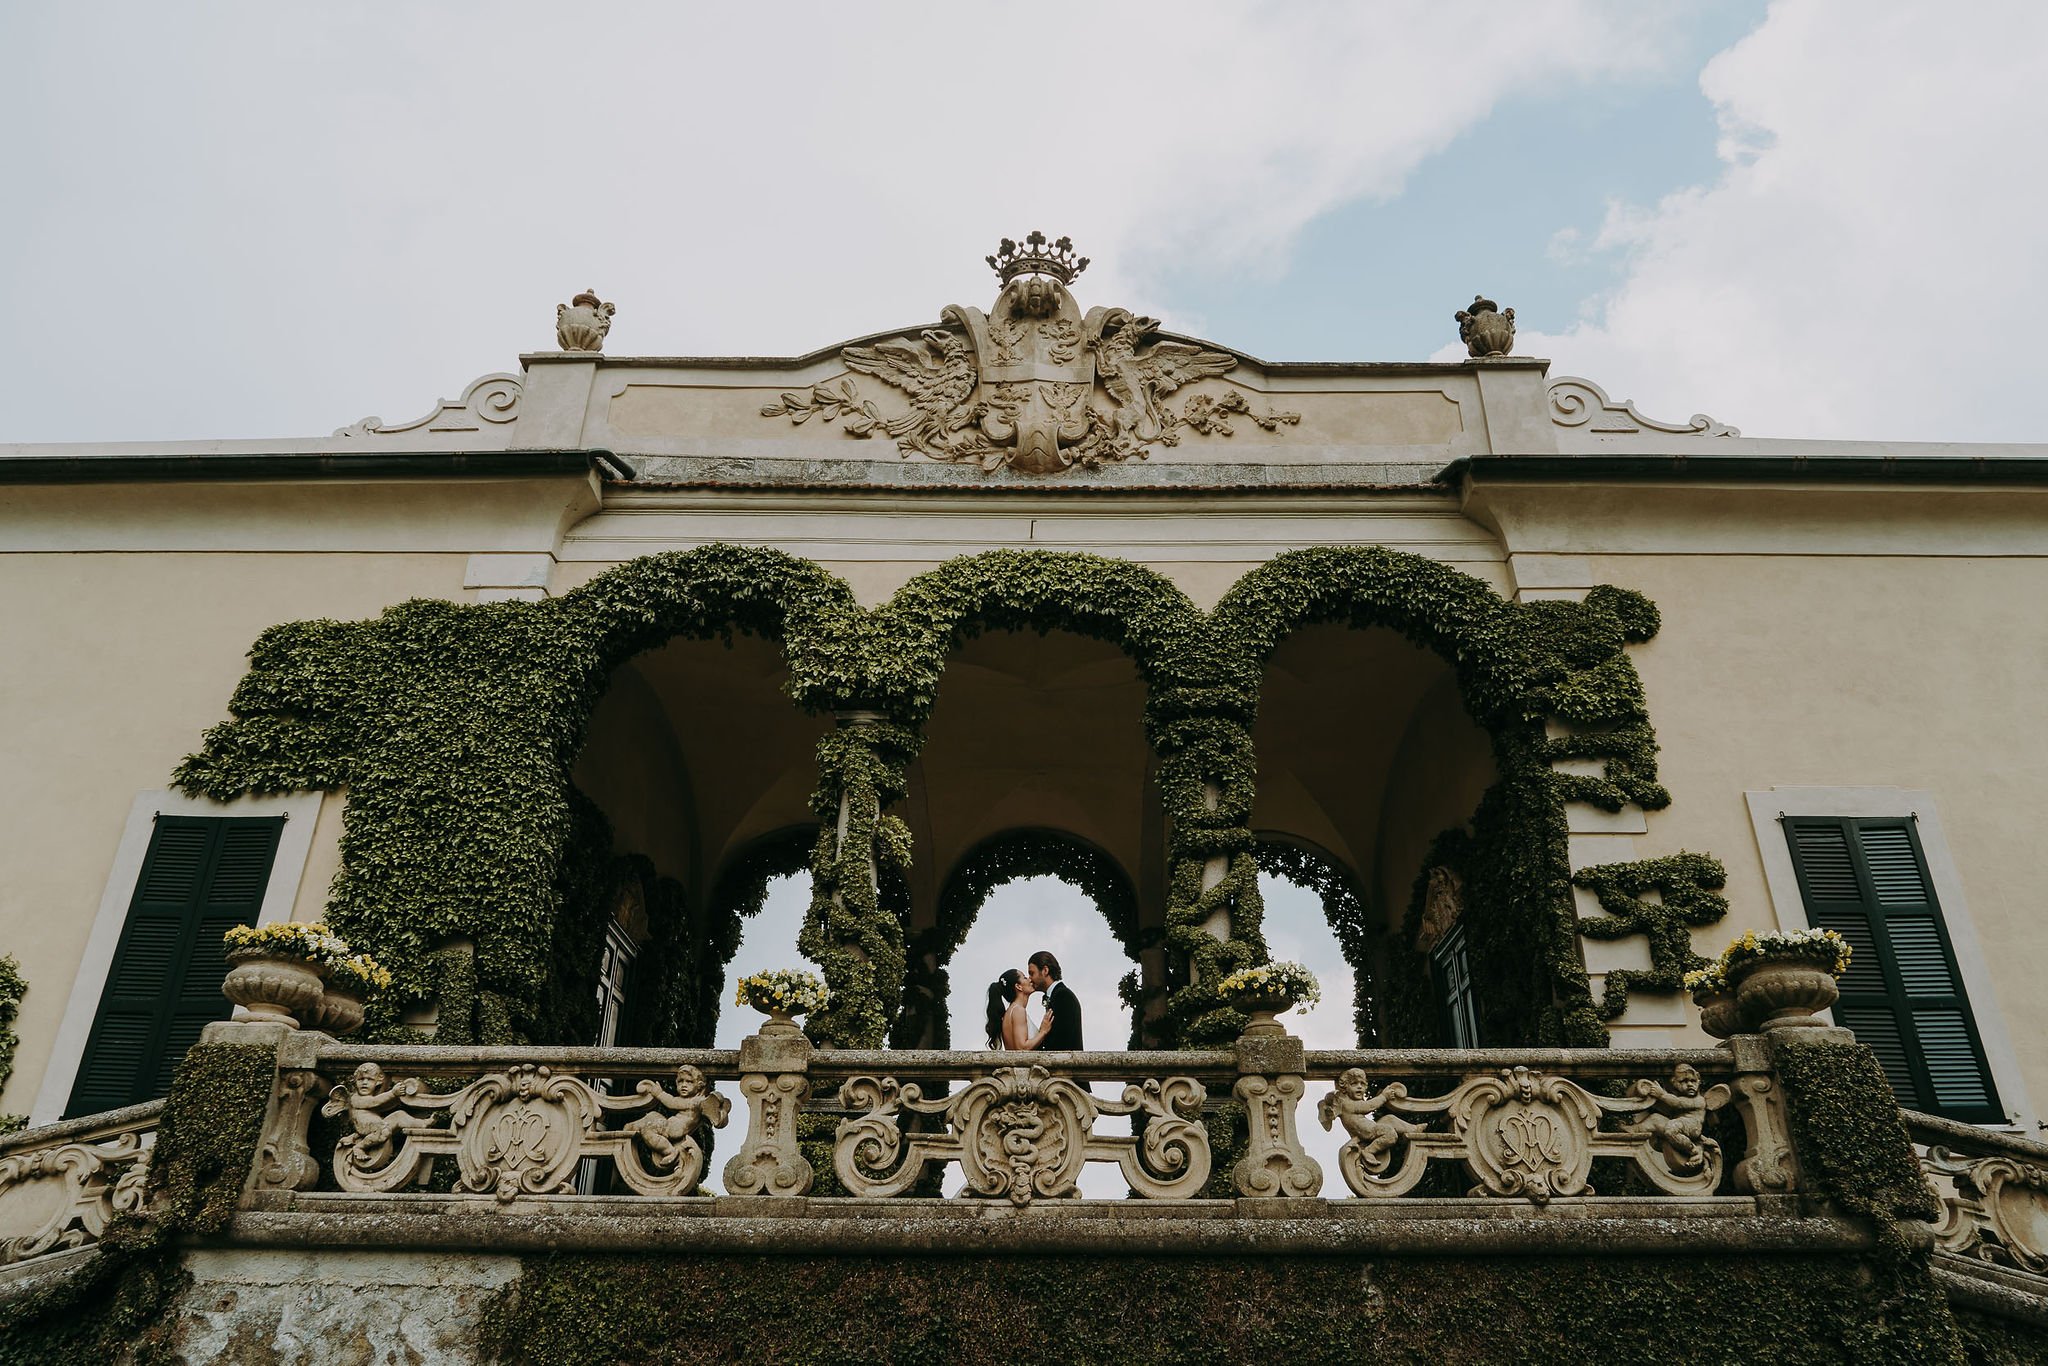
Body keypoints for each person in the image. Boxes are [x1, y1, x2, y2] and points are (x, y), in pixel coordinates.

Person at [986, 966, 1054, 1050]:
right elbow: (1022, 1048)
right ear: (1018, 986)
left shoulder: (1012, 1011)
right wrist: (1043, 1032)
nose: (1029, 979)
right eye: (1025, 978)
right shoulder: (1018, 1011)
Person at [1028, 950, 1083, 1050]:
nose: (1030, 979)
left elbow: (1063, 1040)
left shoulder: (1063, 996)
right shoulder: (1057, 995)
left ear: (1045, 970)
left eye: (1032, 973)